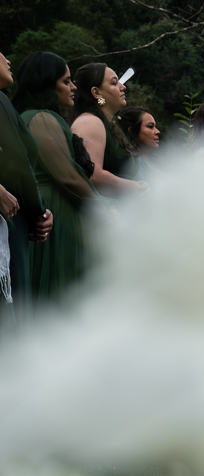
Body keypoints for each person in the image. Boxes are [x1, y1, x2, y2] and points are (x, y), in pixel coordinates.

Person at [12, 52, 99, 300]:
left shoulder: (44, 117)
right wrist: (103, 206)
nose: (73, 87)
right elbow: (67, 176)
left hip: (55, 212)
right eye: (66, 81)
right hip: (54, 217)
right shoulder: (41, 118)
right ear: (47, 83)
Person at [0, 48, 53, 324]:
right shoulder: (3, 103)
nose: (8, 60)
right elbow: (16, 163)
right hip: (12, 217)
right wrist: (39, 211)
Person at [69, 62, 146, 196]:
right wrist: (135, 186)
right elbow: (93, 175)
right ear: (96, 92)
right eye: (114, 83)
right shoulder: (90, 122)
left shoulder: (107, 124)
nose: (123, 87)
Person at [115, 106, 161, 180]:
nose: (158, 131)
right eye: (150, 126)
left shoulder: (158, 161)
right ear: (132, 132)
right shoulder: (131, 166)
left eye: (155, 126)